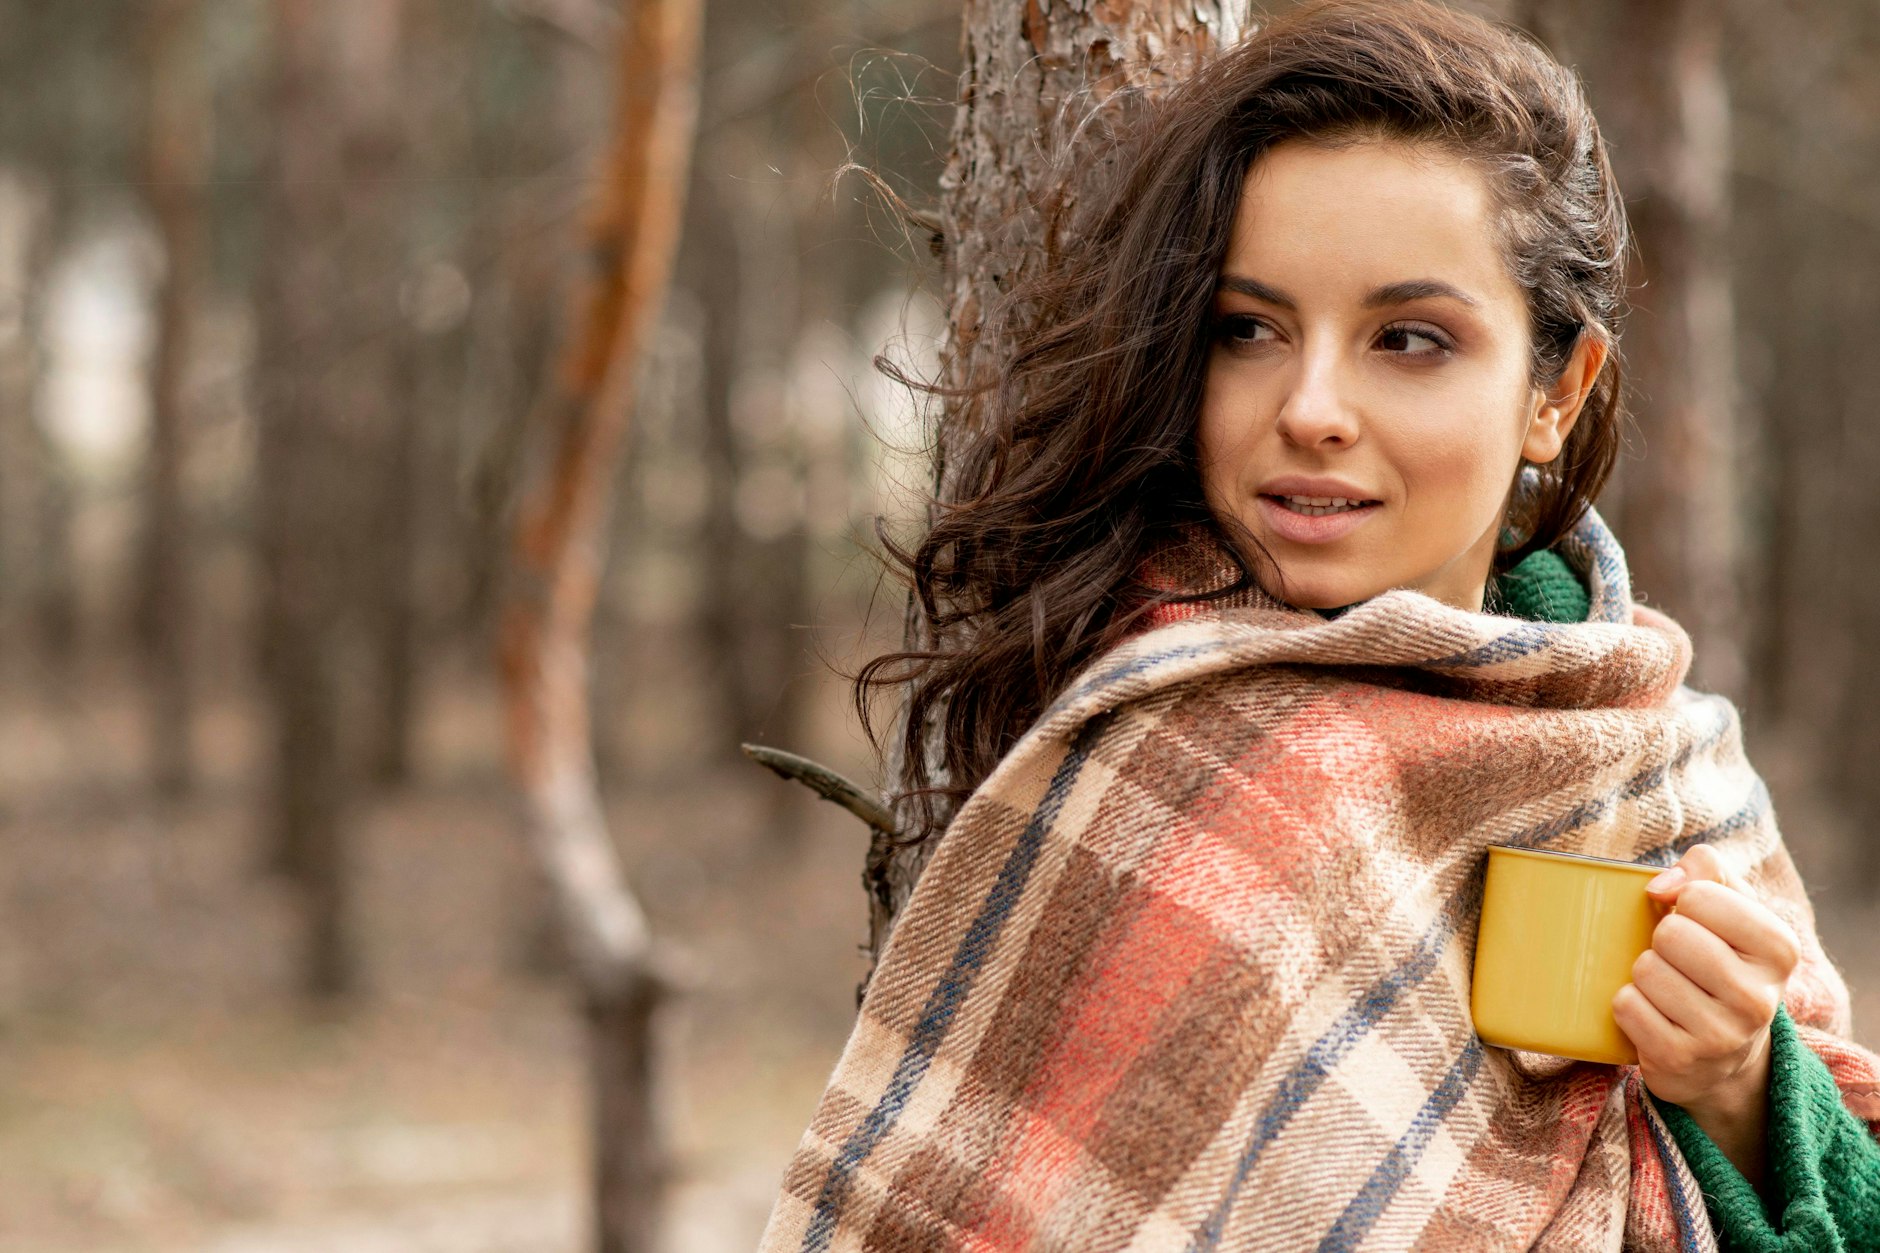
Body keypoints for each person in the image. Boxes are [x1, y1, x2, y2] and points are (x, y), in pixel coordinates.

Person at [761, 2, 1880, 1249]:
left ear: (1554, 393)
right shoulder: (1160, 769)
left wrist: (1733, 1091)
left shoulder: (1661, 754)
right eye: (1248, 329)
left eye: (1408, 339)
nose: (1309, 408)